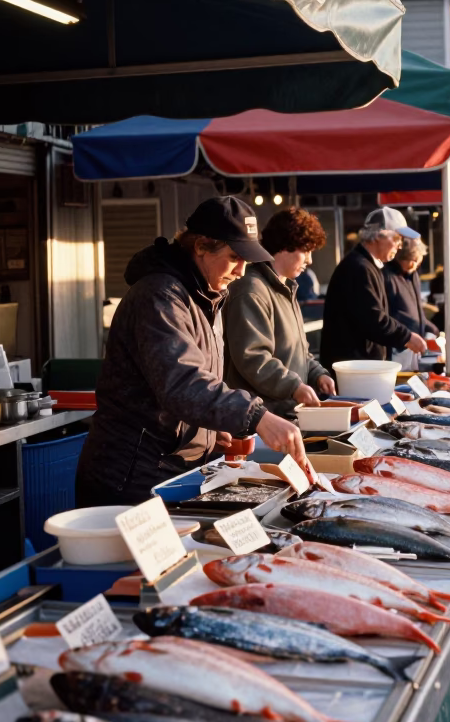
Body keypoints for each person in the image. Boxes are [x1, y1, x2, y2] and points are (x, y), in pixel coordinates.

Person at [75, 197, 307, 506]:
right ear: (200, 246)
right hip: (130, 474)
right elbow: (182, 383)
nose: (241, 271)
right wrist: (255, 415)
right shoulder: (160, 296)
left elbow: (193, 385)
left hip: (170, 467)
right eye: (234, 256)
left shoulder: (206, 294)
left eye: (246, 260)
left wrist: (208, 433)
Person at [224, 207, 335, 418]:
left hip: (286, 414)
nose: (310, 260)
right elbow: (253, 358)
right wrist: (294, 387)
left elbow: (297, 352)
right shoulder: (251, 289)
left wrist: (316, 373)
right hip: (261, 420)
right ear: (285, 246)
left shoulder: (286, 288)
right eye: (306, 250)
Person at [320, 207, 428, 369]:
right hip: (352, 369)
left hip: (359, 366)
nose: (399, 246)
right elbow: (373, 319)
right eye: (397, 239)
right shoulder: (359, 268)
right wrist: (406, 336)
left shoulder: (368, 266)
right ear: (379, 236)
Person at [383, 237, 439, 337]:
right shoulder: (387, 277)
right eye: (412, 261)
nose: (414, 265)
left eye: (417, 262)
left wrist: (430, 327)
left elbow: (417, 310)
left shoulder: (413, 275)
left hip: (415, 338)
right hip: (399, 340)